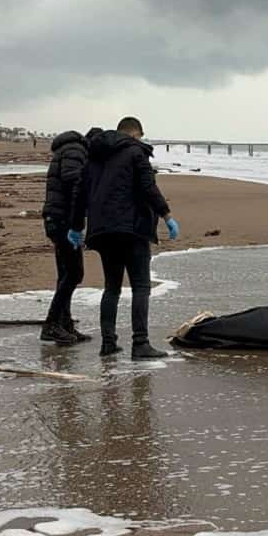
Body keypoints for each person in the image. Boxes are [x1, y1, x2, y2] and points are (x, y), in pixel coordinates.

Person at [75, 117, 179, 358]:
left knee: (112, 287)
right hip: (132, 229)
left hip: (102, 231)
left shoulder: (95, 156)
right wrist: (167, 215)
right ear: (135, 133)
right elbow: (148, 187)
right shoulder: (135, 152)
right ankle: (140, 344)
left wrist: (76, 226)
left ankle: (108, 343)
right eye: (140, 137)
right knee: (141, 286)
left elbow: (81, 194)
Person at [39, 129, 93, 345]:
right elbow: (74, 182)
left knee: (65, 274)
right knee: (74, 273)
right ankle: (51, 325)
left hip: (56, 218)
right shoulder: (75, 151)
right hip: (62, 220)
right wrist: (77, 223)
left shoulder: (67, 150)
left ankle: (64, 324)